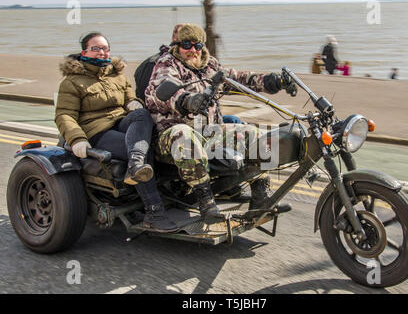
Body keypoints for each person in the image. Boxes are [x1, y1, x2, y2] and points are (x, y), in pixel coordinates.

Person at [145, 23, 293, 220]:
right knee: (184, 134)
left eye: (197, 46)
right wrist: (187, 100)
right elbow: (159, 90)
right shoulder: (167, 63)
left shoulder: (210, 65)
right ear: (178, 45)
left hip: (208, 132)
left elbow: (239, 78)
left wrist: (272, 81)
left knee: (254, 134)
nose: (192, 51)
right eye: (187, 45)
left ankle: (261, 198)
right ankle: (206, 201)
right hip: (170, 136)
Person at [55, 32, 178, 233]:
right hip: (97, 130)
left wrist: (133, 103)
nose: (102, 52)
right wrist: (77, 139)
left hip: (122, 122)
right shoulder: (72, 82)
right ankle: (154, 213)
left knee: (142, 115)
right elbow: (64, 115)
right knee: (143, 149)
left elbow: (132, 99)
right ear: (84, 51)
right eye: (96, 48)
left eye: (105, 48)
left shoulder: (117, 75)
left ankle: (137, 165)